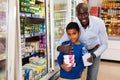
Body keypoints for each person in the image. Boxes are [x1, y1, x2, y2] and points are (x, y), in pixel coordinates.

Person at [57, 3, 108, 80]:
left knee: (92, 77)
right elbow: (61, 43)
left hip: (94, 50)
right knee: (77, 74)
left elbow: (105, 44)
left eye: (85, 13)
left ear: (89, 12)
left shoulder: (99, 23)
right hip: (79, 50)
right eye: (80, 14)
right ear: (77, 15)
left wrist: (94, 55)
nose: (83, 17)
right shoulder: (74, 25)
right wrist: (60, 48)